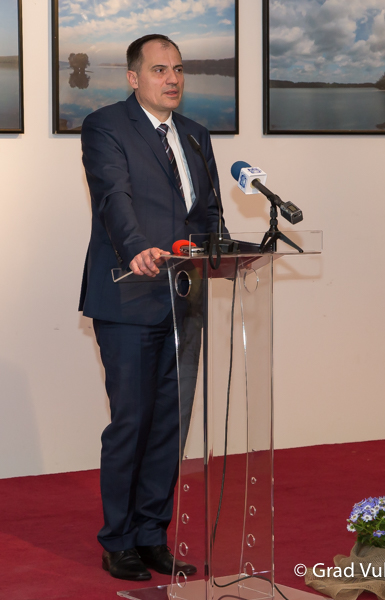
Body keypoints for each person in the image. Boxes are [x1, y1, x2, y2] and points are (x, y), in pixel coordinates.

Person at [79, 34, 224, 581]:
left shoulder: (196, 135)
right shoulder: (106, 126)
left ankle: (150, 535)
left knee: (169, 426)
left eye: (179, 70)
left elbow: (207, 211)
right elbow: (112, 196)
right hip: (130, 296)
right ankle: (118, 541)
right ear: (133, 77)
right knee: (133, 423)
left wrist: (223, 248)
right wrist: (137, 246)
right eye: (160, 69)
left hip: (185, 298)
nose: (172, 79)